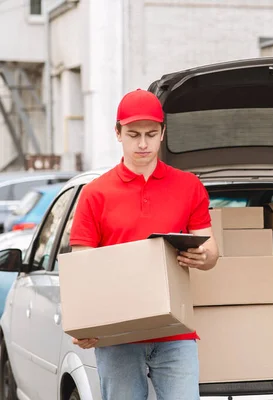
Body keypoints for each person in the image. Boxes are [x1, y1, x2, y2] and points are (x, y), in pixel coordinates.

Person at [68, 89, 219, 400]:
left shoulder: (189, 186)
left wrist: (202, 257)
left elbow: (212, 252)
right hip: (118, 335)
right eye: (133, 134)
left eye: (151, 134)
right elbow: (83, 269)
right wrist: (85, 324)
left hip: (174, 331)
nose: (143, 144)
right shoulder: (95, 194)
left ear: (163, 133)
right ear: (117, 133)